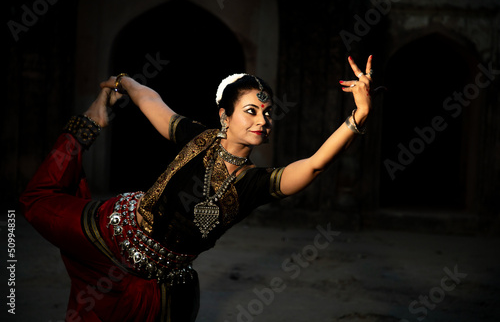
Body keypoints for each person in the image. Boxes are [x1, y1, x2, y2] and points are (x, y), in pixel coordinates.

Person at [20, 56, 373, 321]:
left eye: (267, 114)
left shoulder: (255, 183)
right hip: (113, 233)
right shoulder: (197, 137)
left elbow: (313, 164)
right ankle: (89, 124)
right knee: (36, 203)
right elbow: (151, 102)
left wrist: (358, 115)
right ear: (225, 115)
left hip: (163, 282)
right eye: (251, 111)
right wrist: (124, 82)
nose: (262, 121)